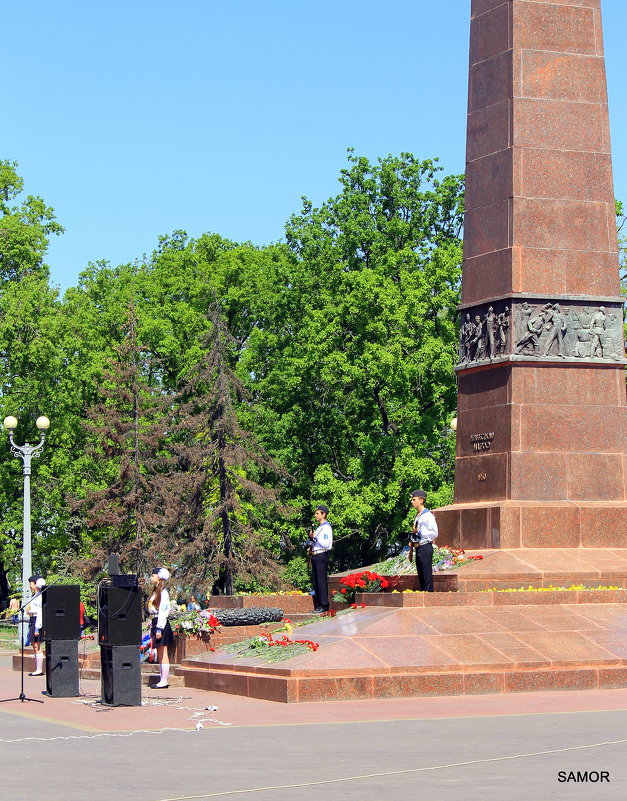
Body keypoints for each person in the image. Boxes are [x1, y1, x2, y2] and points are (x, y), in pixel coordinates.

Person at [148, 567, 174, 688]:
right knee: (159, 652)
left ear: (159, 577)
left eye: (153, 575)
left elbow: (163, 611)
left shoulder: (163, 592)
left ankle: (164, 680)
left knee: (163, 653)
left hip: (161, 623)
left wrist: (159, 628)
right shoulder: (156, 592)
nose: (151, 577)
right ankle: (162, 679)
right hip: (155, 621)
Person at [407, 490, 438, 592]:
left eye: (414, 499)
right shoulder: (418, 516)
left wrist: (419, 532)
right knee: (421, 575)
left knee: (426, 575)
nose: (412, 501)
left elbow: (434, 532)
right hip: (418, 547)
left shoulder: (428, 516)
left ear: (421, 500)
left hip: (425, 547)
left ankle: (429, 596)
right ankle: (424, 596)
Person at [308, 505, 333, 613]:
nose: (316, 515)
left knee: (321, 580)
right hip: (315, 555)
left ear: (324, 514)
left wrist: (315, 537)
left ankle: (324, 605)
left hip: (321, 555)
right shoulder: (319, 528)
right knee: (316, 581)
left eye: (318, 513)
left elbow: (327, 544)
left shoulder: (326, 528)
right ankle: (319, 605)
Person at [27, 575, 46, 676]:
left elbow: (40, 612)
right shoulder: (36, 595)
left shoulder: (40, 596)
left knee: (36, 644)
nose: (29, 585)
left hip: (37, 621)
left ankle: (39, 669)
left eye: (31, 583)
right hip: (32, 619)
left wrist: (37, 627)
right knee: (34, 645)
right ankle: (37, 668)